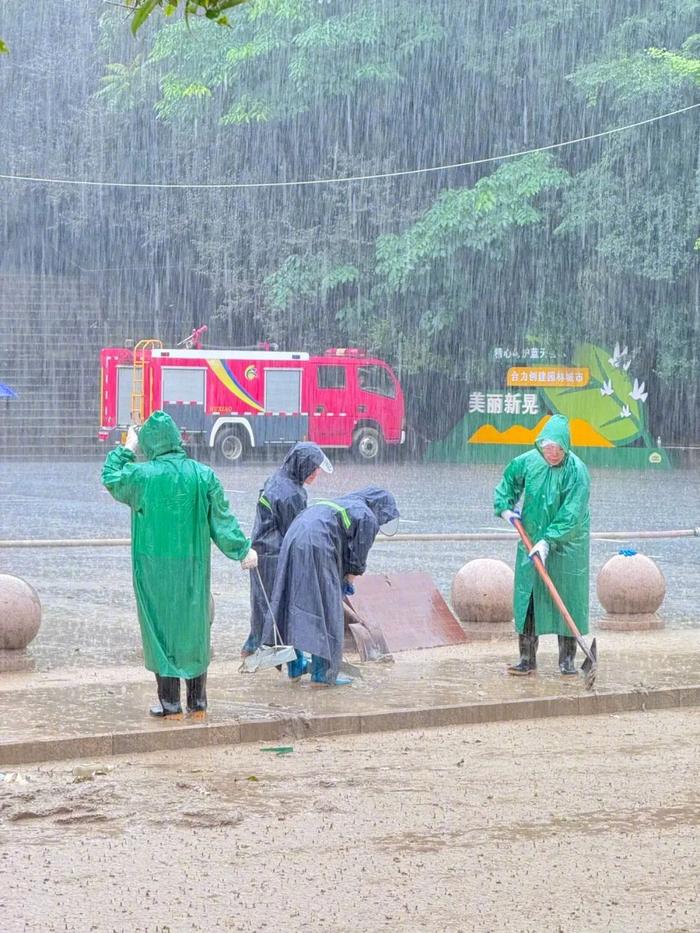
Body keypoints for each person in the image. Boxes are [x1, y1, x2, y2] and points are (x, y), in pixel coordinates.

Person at [102, 410, 258, 720]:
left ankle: (170, 704)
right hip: (192, 564)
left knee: (158, 630)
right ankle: (197, 703)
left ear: (149, 443)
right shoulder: (202, 475)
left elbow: (109, 476)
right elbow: (222, 521)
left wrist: (126, 448)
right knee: (194, 629)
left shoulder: (140, 476)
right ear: (177, 439)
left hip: (152, 567)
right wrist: (242, 550)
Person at [263, 485, 399, 687]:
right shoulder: (368, 516)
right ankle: (323, 674)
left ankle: (295, 665)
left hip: (294, 537)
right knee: (328, 610)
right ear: (381, 508)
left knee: (292, 601)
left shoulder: (342, 503)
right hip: (318, 544)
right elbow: (356, 561)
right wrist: (347, 582)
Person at [493, 414, 590, 676]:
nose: (553, 453)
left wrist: (549, 541)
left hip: (568, 547)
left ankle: (567, 661)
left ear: (566, 446)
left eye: (559, 448)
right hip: (531, 541)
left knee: (566, 599)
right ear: (541, 445)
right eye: (548, 448)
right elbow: (508, 484)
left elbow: (572, 513)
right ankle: (527, 659)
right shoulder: (528, 462)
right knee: (529, 600)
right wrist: (505, 508)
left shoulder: (577, 471)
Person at [241, 442, 333, 659]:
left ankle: (253, 647)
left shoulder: (277, 480)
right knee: (279, 607)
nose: (317, 472)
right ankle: (278, 656)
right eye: (314, 467)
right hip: (275, 555)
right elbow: (296, 533)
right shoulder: (292, 494)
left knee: (262, 604)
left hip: (261, 552)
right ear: (302, 466)